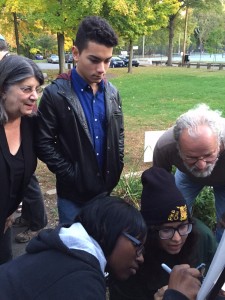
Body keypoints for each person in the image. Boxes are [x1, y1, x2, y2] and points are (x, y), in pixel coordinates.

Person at [0, 195, 201, 300]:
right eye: (138, 246)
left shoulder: (61, 253)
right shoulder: (80, 281)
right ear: (110, 231)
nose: (140, 258)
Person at [35, 16, 124, 223]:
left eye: (107, 60)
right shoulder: (55, 94)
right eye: (94, 60)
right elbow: (43, 142)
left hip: (104, 190)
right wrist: (72, 174)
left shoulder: (112, 93)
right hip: (72, 197)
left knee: (101, 247)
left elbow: (118, 133)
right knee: (74, 250)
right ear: (76, 53)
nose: (102, 69)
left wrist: (117, 165)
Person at [109, 167, 217, 300]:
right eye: (166, 230)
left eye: (183, 227)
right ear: (150, 230)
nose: (177, 238)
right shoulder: (131, 258)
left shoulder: (203, 236)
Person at [153, 103, 225, 242]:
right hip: (188, 176)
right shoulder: (165, 147)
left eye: (209, 155)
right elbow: (158, 184)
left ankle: (218, 256)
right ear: (178, 148)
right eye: (192, 157)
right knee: (174, 213)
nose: (201, 165)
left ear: (219, 143)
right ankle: (186, 245)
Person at [0, 34, 48, 244]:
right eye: (26, 89)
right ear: (3, 90)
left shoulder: (30, 123)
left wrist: (8, 212)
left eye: (36, 89)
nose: (34, 96)